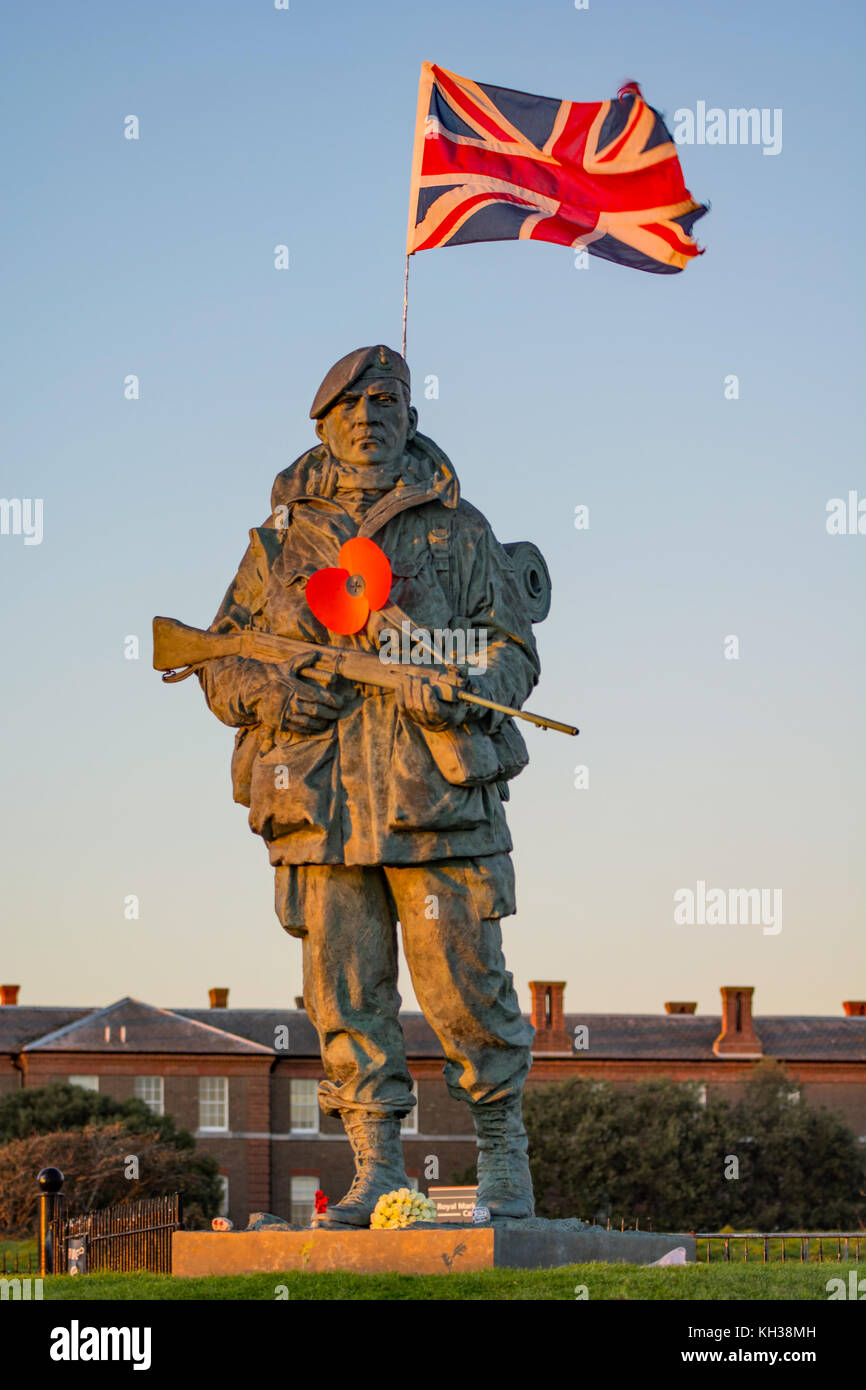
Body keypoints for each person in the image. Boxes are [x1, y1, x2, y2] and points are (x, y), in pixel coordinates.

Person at [197, 345, 539, 1227]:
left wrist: (455, 686)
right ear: (322, 424)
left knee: (466, 988)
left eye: (386, 399)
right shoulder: (276, 546)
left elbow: (512, 651)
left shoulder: (460, 532)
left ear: (410, 418)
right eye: (350, 403)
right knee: (343, 996)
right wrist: (278, 691)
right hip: (319, 806)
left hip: (435, 804)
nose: (367, 415)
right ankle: (377, 1169)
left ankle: (503, 1161)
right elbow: (220, 663)